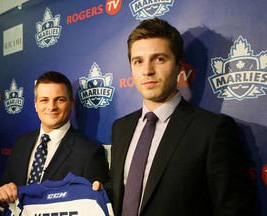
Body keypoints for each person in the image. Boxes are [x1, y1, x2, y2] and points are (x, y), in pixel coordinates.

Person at [94, 18, 257, 215]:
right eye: (138, 61)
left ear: (179, 65)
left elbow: (234, 210)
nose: (147, 71)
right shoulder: (121, 127)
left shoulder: (212, 130)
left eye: (159, 59)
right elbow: (129, 189)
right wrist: (103, 193)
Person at [0, 71, 109, 212]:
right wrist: (1, 198)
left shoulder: (90, 152)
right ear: (36, 104)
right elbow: (4, 191)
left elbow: (95, 209)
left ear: (71, 103)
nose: (51, 107)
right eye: (44, 100)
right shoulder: (21, 143)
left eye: (60, 99)